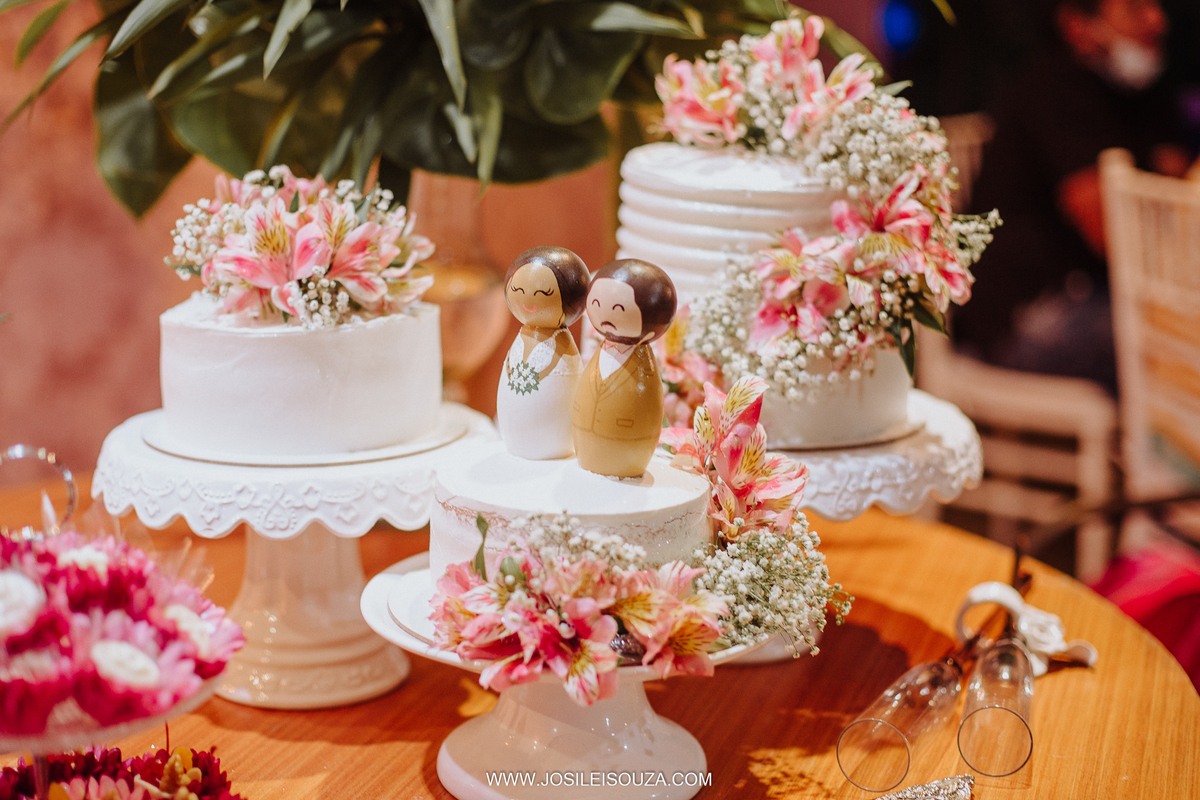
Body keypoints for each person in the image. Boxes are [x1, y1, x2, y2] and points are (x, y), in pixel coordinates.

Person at [953, 0, 1192, 394]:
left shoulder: (1143, 94)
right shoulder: (1055, 89)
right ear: (1078, 24)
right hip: (1031, 313)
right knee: (1180, 339)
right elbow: (1116, 237)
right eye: (1134, 8)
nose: (1157, 20)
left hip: (1106, 293)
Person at [572, 259, 676, 478]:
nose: (606, 314)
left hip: (630, 447)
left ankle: (626, 465)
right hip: (585, 441)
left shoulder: (644, 367)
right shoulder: (601, 353)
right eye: (596, 303)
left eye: (618, 308)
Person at [496, 246, 590, 460]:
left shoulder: (561, 342)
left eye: (544, 293)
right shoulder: (522, 336)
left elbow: (552, 368)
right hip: (513, 448)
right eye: (518, 290)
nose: (528, 300)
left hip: (560, 454)